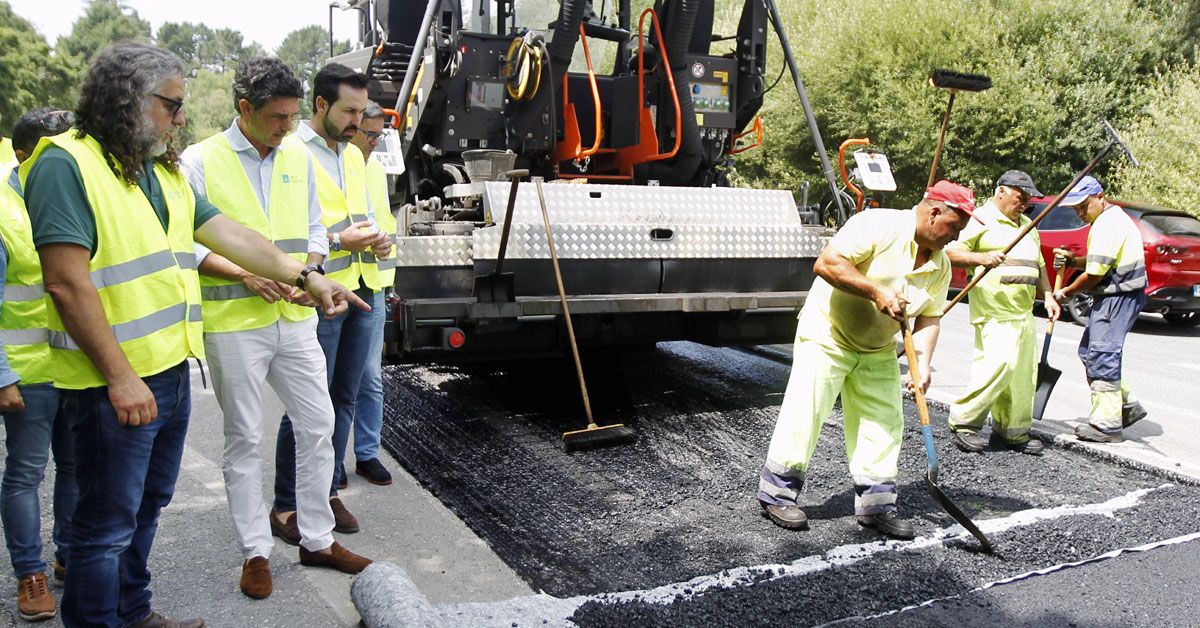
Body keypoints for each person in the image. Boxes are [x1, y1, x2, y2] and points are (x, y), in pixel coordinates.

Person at [21, 43, 368, 628]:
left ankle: (133, 612)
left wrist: (307, 276)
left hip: (167, 370)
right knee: (104, 528)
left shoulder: (157, 169)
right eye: (172, 105)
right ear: (128, 100)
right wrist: (121, 377)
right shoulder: (65, 164)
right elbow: (66, 284)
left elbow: (229, 234)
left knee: (146, 508)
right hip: (113, 382)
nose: (181, 118)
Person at [179, 57, 373, 601]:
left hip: (293, 317)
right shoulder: (200, 161)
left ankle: (315, 537)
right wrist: (246, 274)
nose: (288, 127)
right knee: (245, 438)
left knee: (319, 424)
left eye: (292, 116)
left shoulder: (295, 157)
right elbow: (190, 244)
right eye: (278, 117)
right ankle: (256, 552)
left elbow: (314, 228)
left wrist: (307, 272)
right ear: (244, 109)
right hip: (234, 323)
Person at [757, 180, 976, 539]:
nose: (955, 239)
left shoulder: (940, 267)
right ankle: (777, 493)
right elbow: (827, 263)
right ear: (935, 212)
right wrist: (876, 290)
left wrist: (921, 366)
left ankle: (876, 505)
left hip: (876, 347)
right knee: (806, 411)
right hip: (828, 333)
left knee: (883, 421)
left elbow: (929, 318)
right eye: (955, 228)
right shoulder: (877, 225)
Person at [274, 63, 390, 535]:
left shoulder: (353, 155)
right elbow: (297, 231)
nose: (358, 122)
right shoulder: (290, 153)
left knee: (344, 396)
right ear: (320, 104)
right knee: (307, 403)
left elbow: (361, 216)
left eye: (362, 112)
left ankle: (328, 492)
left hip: (363, 288)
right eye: (349, 111)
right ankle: (287, 503)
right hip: (319, 295)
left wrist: (379, 240)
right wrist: (342, 243)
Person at [0, 107, 77, 622]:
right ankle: (30, 574)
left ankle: (70, 556)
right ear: (27, 155)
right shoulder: (5, 212)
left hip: (76, 370)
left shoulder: (72, 196)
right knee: (26, 474)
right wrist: (2, 375)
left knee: (75, 468)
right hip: (27, 375)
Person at [944, 170, 1062, 455]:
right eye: (1019, 198)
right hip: (994, 311)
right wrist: (981, 257)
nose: (1023, 204)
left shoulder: (1027, 225)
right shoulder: (981, 219)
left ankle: (1012, 431)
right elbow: (949, 251)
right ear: (1001, 192)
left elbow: (1040, 267)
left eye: (1027, 200)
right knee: (999, 366)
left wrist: (1048, 295)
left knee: (1023, 375)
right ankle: (964, 422)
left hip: (1023, 313)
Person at [1051, 175, 1148, 443]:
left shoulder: (1107, 224)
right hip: (1119, 295)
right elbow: (1099, 260)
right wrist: (1074, 259)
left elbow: (1094, 274)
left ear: (1100, 197)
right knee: (1088, 351)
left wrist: (1065, 292)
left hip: (1118, 296)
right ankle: (1126, 405)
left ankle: (1106, 425)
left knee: (1103, 354)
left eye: (1084, 206)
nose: (1081, 213)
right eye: (1076, 209)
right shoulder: (1108, 220)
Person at [348, 101, 396, 487]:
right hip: (339, 284)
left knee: (370, 376)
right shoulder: (335, 162)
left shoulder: (376, 170)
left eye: (380, 135)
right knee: (336, 378)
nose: (374, 142)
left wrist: (384, 244)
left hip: (373, 283)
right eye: (370, 134)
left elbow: (384, 220)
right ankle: (329, 463)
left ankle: (367, 453)